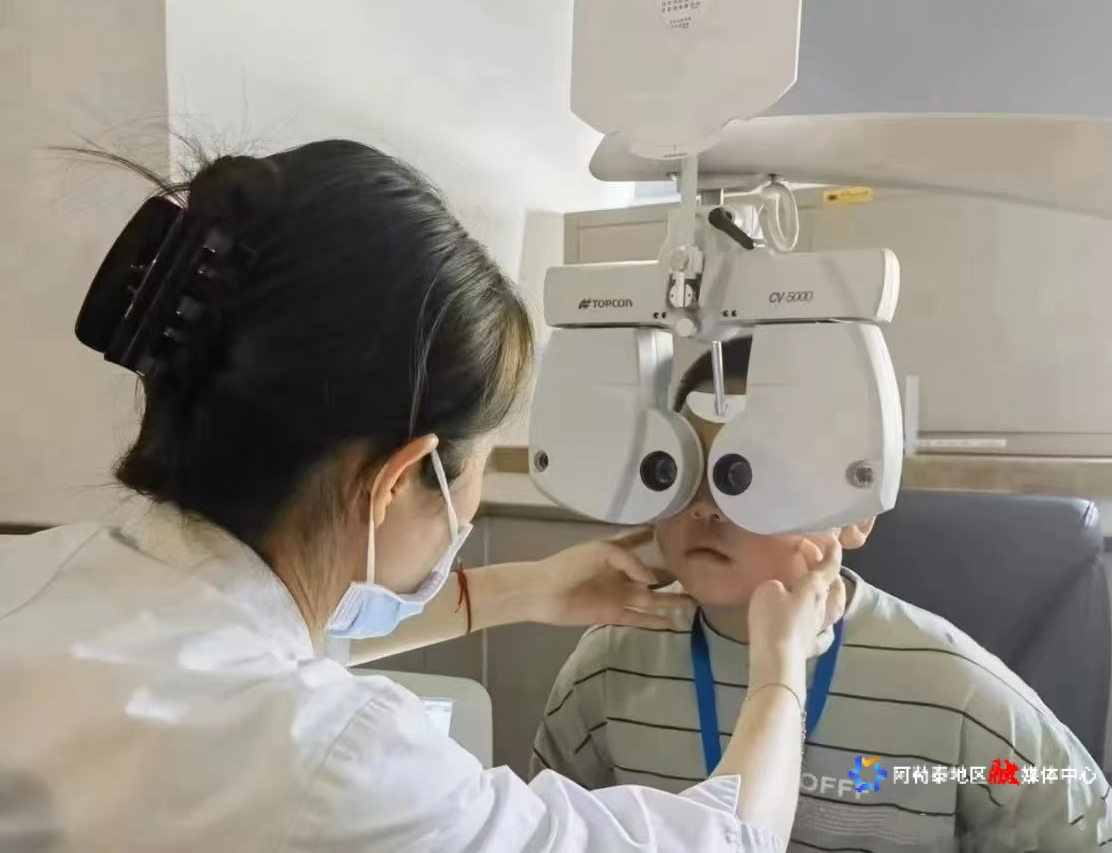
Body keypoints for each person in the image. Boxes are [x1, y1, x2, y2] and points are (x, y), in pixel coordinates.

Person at [0, 140, 845, 853]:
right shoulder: (339, 762)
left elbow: (249, 651)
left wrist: (525, 589)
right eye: (475, 465)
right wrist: (781, 669)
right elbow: (724, 841)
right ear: (401, 477)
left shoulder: (40, 580)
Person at [531, 336, 1112, 853]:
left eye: (750, 476)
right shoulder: (608, 667)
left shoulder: (954, 694)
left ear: (856, 513)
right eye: (683, 471)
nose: (706, 506)